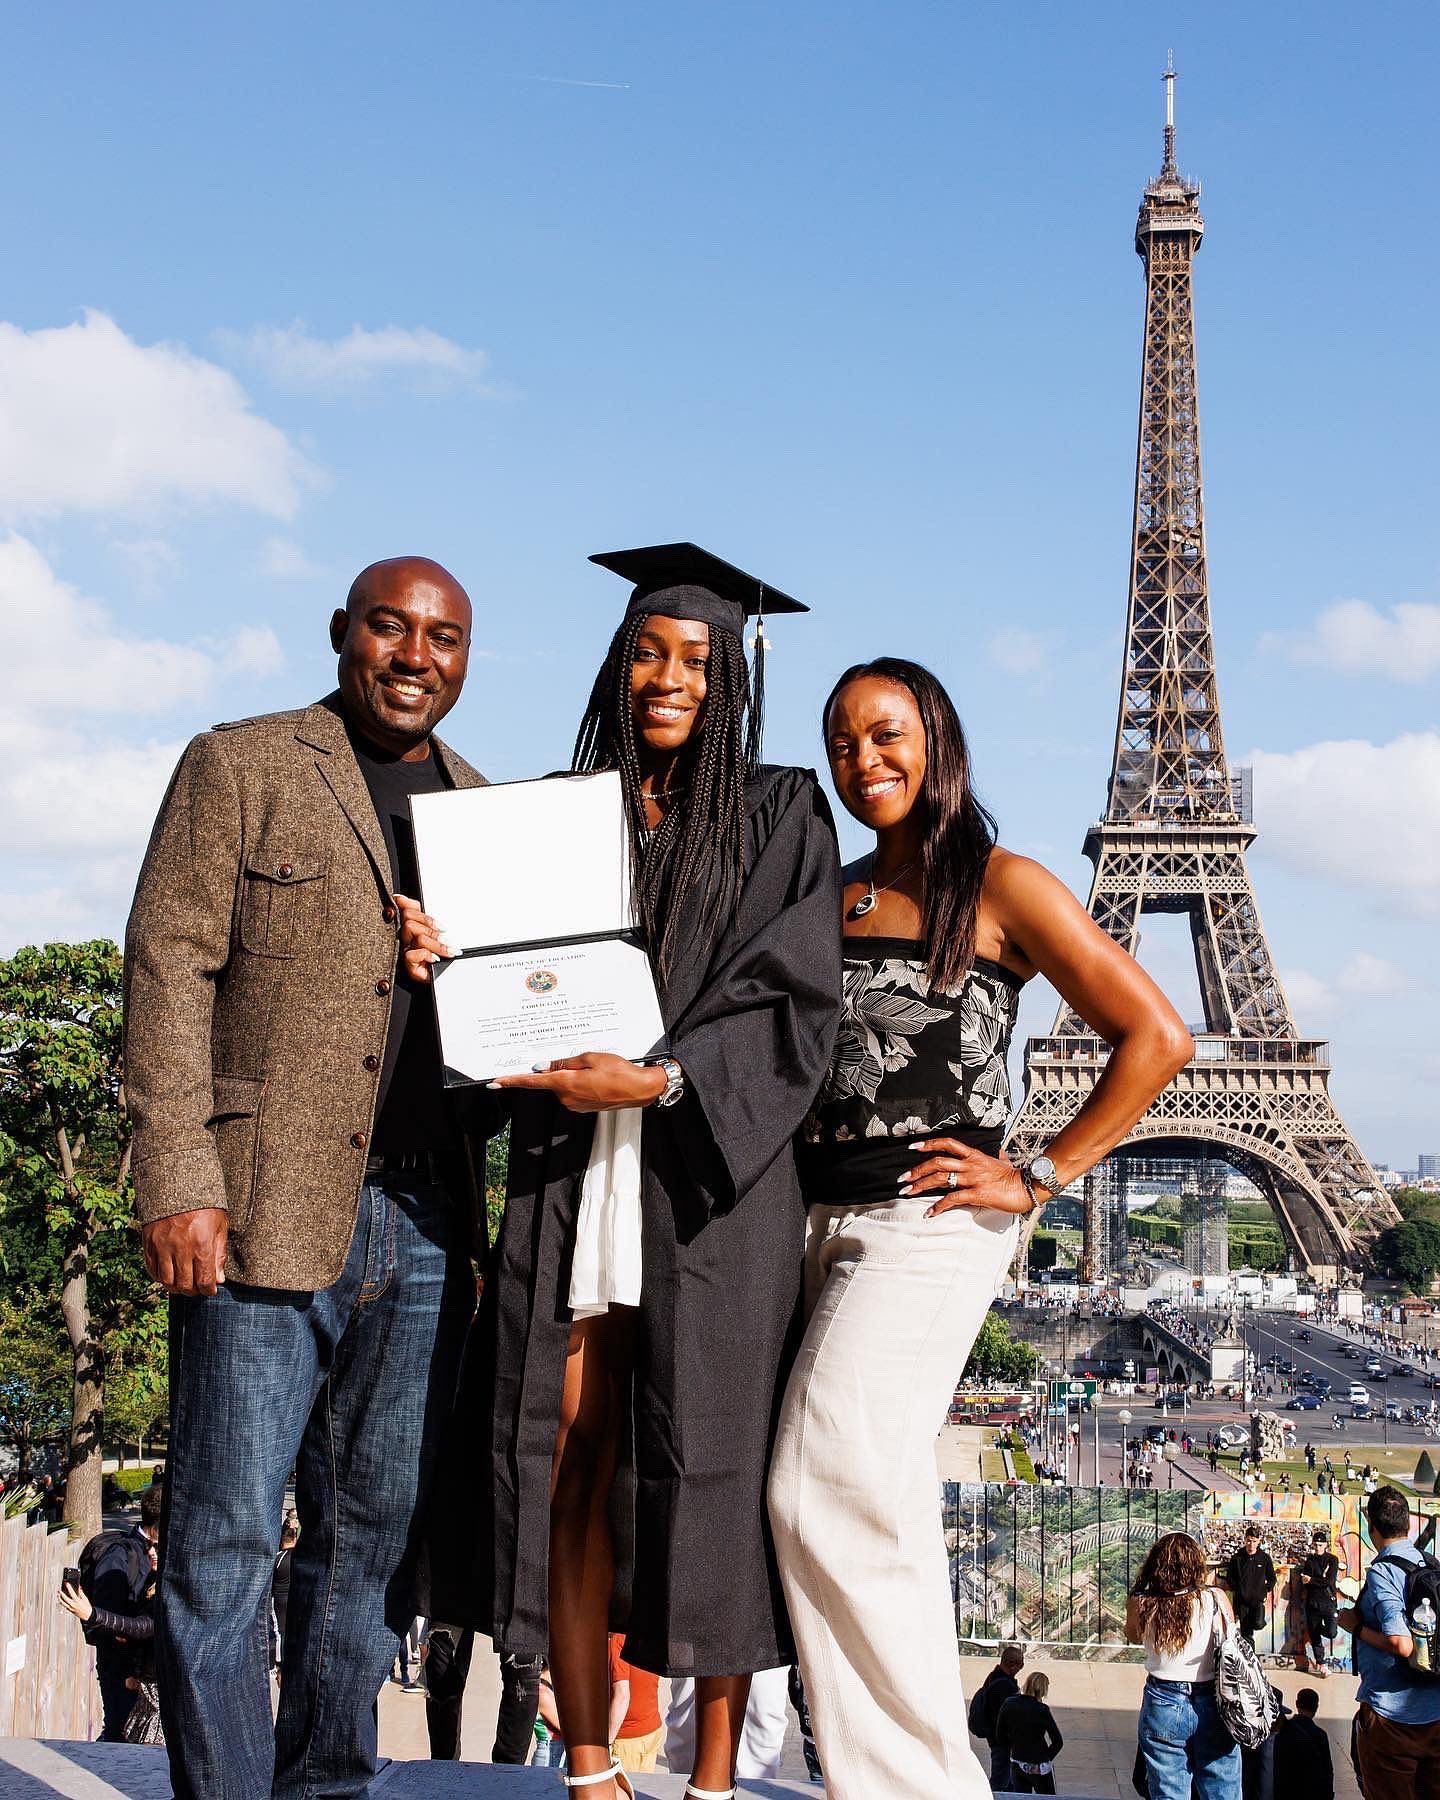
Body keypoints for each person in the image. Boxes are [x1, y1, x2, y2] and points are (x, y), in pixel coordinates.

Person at [411, 543, 843, 1800]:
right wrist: (448, 961)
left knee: (711, 1457)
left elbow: (790, 1005)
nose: (670, 679)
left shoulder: (782, 813)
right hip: (569, 1160)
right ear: (616, 664)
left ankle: (713, 1769)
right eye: (648, 653)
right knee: (572, 1448)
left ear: (733, 683)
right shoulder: (557, 810)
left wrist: (659, 1080)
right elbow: (498, 983)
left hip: (709, 1171)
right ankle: (590, 1762)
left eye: (699, 662)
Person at [767, 657, 1192, 1800]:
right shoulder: (832, 893)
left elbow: (1157, 1035)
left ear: (938, 740)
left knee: (820, 1481)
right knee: (880, 1496)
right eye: (845, 740)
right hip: (815, 1219)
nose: (867, 760)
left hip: (932, 1219)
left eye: (889, 734)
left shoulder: (1004, 884)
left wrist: (1041, 1172)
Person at [124, 557, 486, 1799]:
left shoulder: (485, 816)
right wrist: (177, 1174)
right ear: (343, 633)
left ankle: (325, 1787)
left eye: (443, 638)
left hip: (431, 1225)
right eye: (391, 626)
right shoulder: (243, 764)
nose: (413, 655)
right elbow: (166, 970)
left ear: (464, 659)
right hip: (257, 1206)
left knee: (371, 1549)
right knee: (221, 1543)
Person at [1337, 1483, 1440, 1797]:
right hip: (1435, 1712)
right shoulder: (1429, 1563)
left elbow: (1401, 1643)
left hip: (1394, 1718)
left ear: (1372, 1527)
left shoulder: (1384, 1571)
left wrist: (1354, 1627)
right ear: (1407, 1523)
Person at [1127, 1531, 1241, 1800]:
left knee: (1168, 1789)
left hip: (1162, 1698)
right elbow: (1231, 1641)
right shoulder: (1215, 1598)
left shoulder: (1143, 1602)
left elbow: (1132, 1635)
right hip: (1214, 1699)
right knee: (1221, 1786)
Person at [59, 1486, 163, 1741]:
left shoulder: (152, 1553)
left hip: (142, 1672)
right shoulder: (120, 1554)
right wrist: (130, 1672)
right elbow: (116, 1621)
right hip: (124, 1670)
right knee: (121, 1735)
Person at [995, 1670, 1064, 1794]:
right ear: (1043, 1690)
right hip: (1038, 1765)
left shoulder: (1009, 1703)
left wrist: (1014, 1747)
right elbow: (1058, 1742)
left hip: (1017, 1762)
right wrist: (1046, 1758)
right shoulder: (1042, 1710)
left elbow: (1000, 1735)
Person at [970, 1644, 1025, 1791]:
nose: (1021, 1668)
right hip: (1002, 1743)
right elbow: (1005, 1717)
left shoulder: (993, 1677)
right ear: (1013, 1665)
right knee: (999, 1783)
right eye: (1021, 1664)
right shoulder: (1004, 1686)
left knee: (1008, 1783)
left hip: (998, 1740)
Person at [1272, 1687, 1332, 1800]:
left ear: (1297, 1704)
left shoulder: (1283, 1732)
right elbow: (1328, 1772)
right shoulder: (1320, 1735)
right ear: (1316, 1707)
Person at [1227, 1525, 1277, 1647]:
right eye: (1249, 1540)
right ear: (1245, 1540)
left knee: (1258, 1623)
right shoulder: (1237, 1558)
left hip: (1257, 1601)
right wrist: (1238, 1589)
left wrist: (1265, 1591)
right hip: (1242, 1602)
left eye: (1254, 1541)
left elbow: (1272, 1578)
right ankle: (1250, 1658)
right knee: (1246, 1632)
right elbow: (1230, 1577)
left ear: (1259, 1541)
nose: (1251, 1544)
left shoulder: (1264, 1558)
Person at [1297, 1529, 1339, 1677]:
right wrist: (1316, 1580)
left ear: (1325, 1545)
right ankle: (1321, 1663)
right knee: (1315, 1635)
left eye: (1320, 1545)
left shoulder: (1332, 1560)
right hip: (1313, 1602)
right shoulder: (1310, 1560)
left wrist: (1313, 1580)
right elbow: (1305, 1582)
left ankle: (1319, 1629)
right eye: (1315, 1545)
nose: (1318, 1548)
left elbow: (1329, 1580)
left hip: (1328, 1602)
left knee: (1332, 1632)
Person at [270, 1513, 298, 1676]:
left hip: (279, 1599)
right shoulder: (297, 1557)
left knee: (279, 1631)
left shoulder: (278, 1559)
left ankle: (279, 1664)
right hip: (294, 1597)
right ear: (293, 1538)